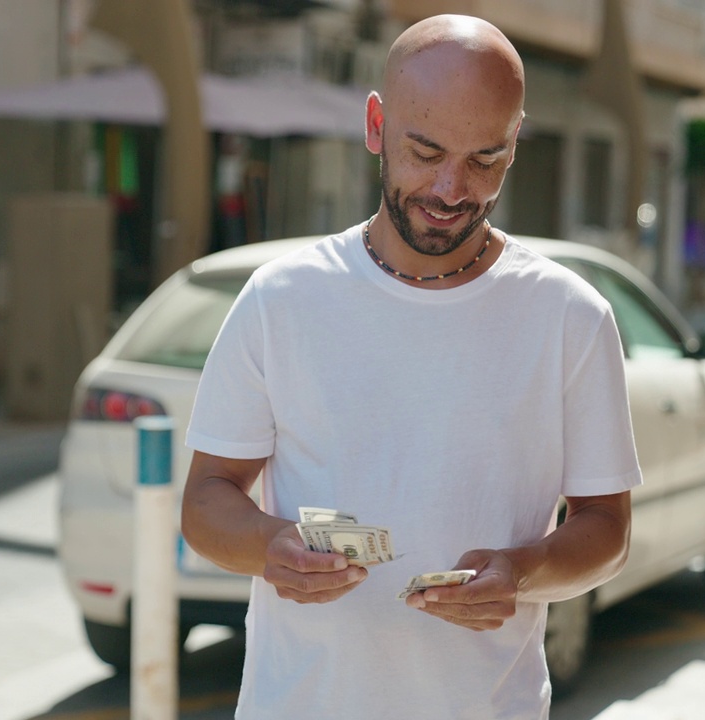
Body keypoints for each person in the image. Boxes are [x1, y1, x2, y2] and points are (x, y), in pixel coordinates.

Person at [181, 14, 642, 719]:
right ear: (376, 125)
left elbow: (607, 529)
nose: (451, 189)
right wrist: (270, 546)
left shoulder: (571, 317)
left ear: (515, 143)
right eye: (425, 151)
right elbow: (207, 500)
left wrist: (522, 572)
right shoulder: (282, 299)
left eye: (484, 159)